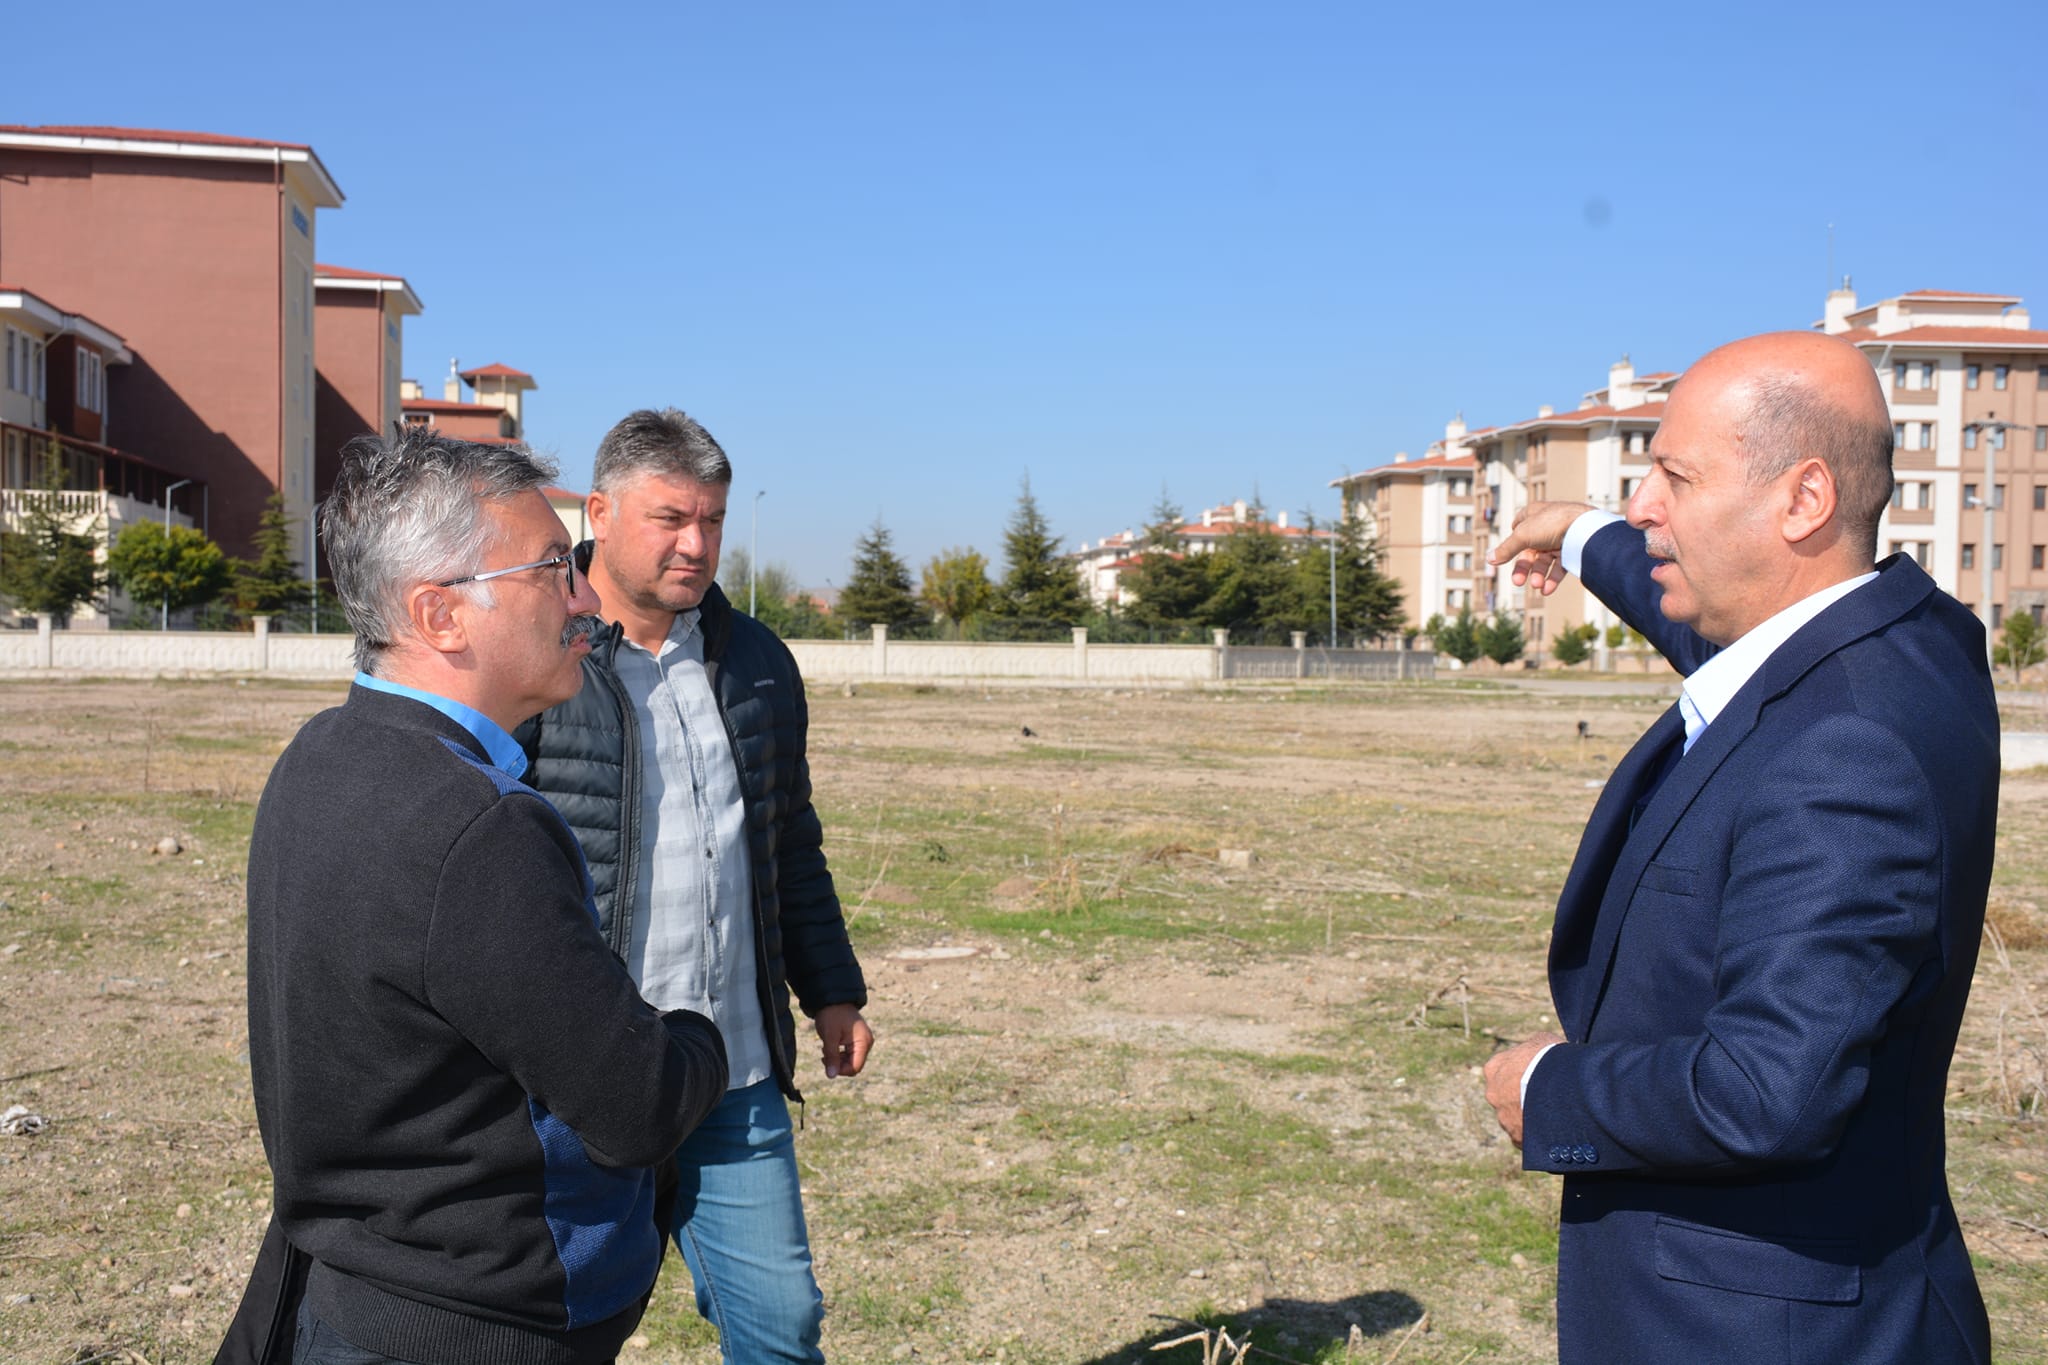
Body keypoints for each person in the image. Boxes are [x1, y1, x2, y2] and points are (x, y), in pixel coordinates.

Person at [1481, 331, 1996, 1364]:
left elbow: (1764, 1093)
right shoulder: (1916, 641)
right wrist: (1576, 534)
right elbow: (1718, 628)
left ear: (1802, 500)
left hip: (1764, 1329)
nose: (1642, 505)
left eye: (1674, 477)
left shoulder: (1844, 748)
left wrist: (1548, 1092)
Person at [240, 428, 729, 1365]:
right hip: (477, 1321)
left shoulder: (318, 754)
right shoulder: (481, 826)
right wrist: (701, 1037)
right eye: (552, 568)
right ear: (440, 614)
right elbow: (634, 1103)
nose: (585, 596)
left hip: (350, 1298)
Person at [517, 408, 870, 1365]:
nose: (696, 543)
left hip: (733, 1076)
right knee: (544, 1334)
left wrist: (832, 992)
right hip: (577, 1081)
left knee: (782, 1326)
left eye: (711, 519)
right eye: (671, 517)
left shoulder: (758, 662)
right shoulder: (539, 651)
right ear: (598, 513)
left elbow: (788, 841)